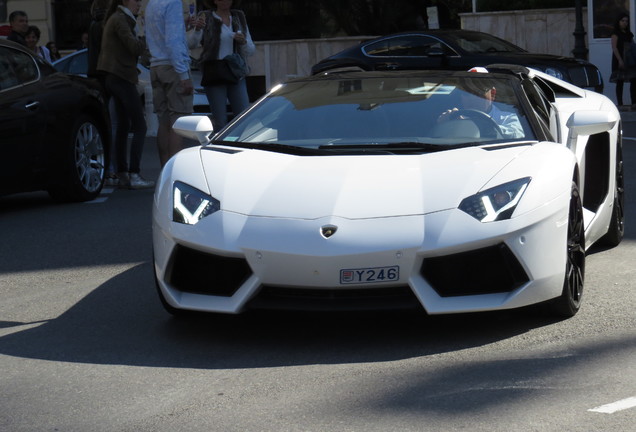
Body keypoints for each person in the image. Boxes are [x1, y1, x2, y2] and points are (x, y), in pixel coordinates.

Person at [97, 0, 155, 189]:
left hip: (114, 78)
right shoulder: (121, 19)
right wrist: (143, 31)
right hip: (122, 78)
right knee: (140, 126)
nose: (139, 4)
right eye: (136, 0)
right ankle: (134, 173)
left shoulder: (117, 18)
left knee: (123, 126)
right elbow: (135, 48)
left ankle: (122, 173)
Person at [145, 0, 195, 166]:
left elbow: (159, 34)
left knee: (164, 122)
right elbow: (172, 42)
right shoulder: (173, 2)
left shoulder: (151, 4)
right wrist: (183, 75)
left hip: (156, 65)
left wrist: (182, 25)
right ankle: (174, 171)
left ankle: (164, 171)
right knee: (178, 122)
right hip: (172, 67)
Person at [197, 0, 255, 130]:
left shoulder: (238, 17)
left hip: (235, 72)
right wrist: (197, 29)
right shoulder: (206, 17)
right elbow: (191, 43)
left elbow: (251, 50)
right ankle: (219, 147)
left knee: (243, 116)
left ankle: (241, 147)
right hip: (215, 73)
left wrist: (243, 42)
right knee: (220, 120)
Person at [437, 79, 524, 139]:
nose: (472, 98)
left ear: (492, 94)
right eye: (466, 93)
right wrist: (444, 125)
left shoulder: (509, 118)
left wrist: (470, 124)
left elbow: (515, 135)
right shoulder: (454, 118)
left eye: (478, 92)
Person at [610, 13, 636, 108]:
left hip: (629, 59)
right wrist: (620, 60)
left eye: (626, 21)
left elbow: (633, 45)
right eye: (623, 21)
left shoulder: (629, 34)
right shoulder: (615, 33)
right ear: (618, 21)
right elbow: (614, 48)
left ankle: (634, 102)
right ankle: (620, 104)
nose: (625, 23)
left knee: (633, 79)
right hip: (619, 58)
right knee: (619, 81)